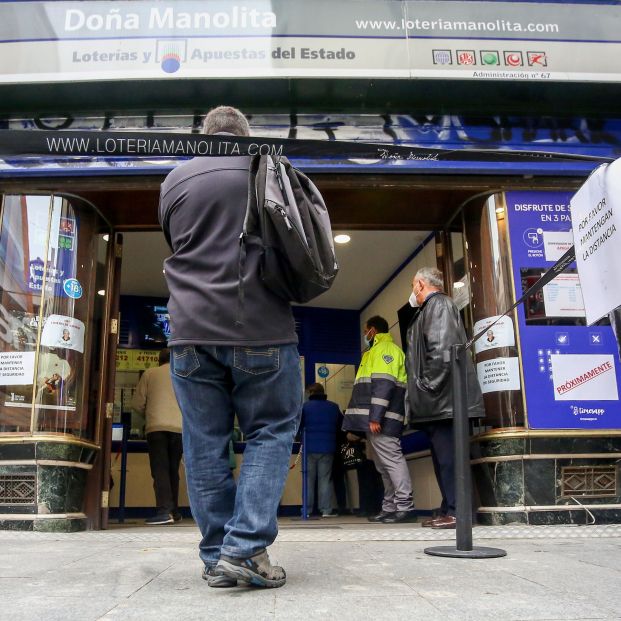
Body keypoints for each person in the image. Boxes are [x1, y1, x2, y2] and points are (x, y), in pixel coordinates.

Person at [159, 106, 302, 589]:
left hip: (190, 332)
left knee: (203, 444)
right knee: (269, 431)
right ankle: (243, 551)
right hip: (261, 327)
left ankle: (217, 555)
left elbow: (179, 242)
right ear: (245, 136)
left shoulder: (174, 181)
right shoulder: (266, 167)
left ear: (205, 137)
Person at [405, 267, 484, 529]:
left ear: (419, 284)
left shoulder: (438, 305)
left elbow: (441, 351)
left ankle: (459, 512)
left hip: (444, 400)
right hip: (440, 402)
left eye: (413, 286)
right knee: (443, 460)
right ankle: (449, 508)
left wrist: (426, 388)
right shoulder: (430, 309)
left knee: (450, 459)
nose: (412, 291)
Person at [343, 315, 415, 524]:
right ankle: (390, 507)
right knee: (383, 466)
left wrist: (375, 417)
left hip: (382, 419)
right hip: (376, 420)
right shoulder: (374, 351)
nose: (365, 335)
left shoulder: (385, 350)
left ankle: (405, 507)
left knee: (392, 461)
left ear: (372, 331)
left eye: (366, 331)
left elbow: (384, 385)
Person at [131, 348, 183, 525]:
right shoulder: (182, 374)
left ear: (158, 360)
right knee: (172, 470)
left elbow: (137, 403)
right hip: (179, 429)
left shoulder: (150, 373)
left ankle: (164, 511)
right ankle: (174, 511)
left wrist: (150, 413)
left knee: (160, 470)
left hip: (157, 428)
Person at [300, 383, 340, 518]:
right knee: (325, 479)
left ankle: (307, 510)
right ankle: (326, 510)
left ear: (310, 393)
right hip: (328, 447)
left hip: (309, 448)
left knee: (308, 480)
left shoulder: (304, 407)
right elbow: (340, 425)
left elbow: (298, 426)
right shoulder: (334, 407)